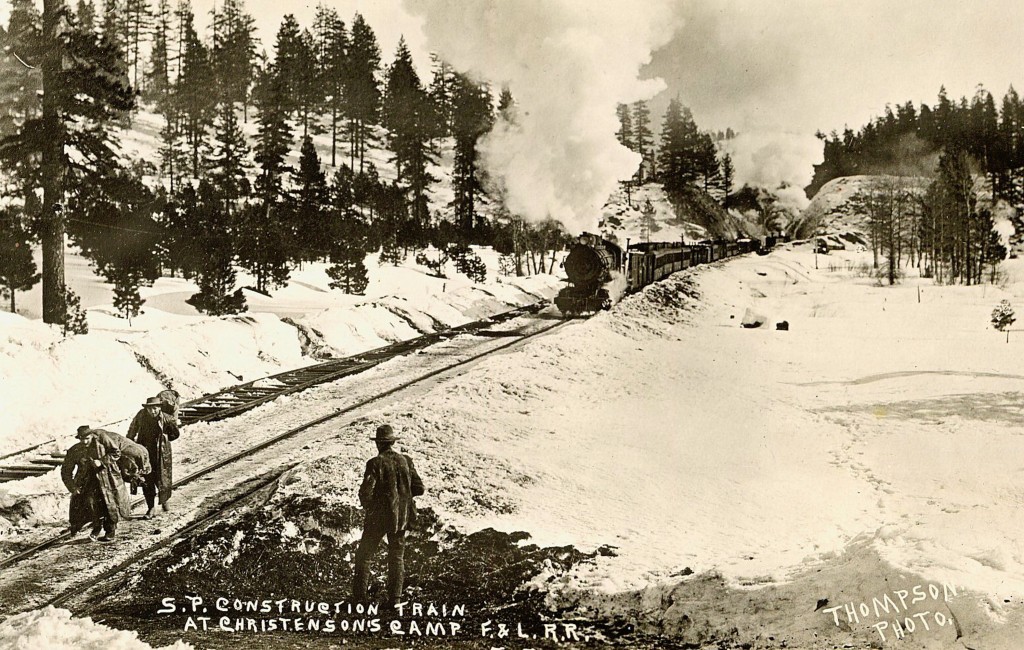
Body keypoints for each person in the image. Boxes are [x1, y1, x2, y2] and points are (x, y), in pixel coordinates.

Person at [353, 424, 425, 607]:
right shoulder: (406, 461)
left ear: (378, 444)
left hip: (379, 518)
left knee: (365, 555)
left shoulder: (375, 463)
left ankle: (360, 598)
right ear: (392, 442)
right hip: (401, 518)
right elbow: (419, 488)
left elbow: (366, 493)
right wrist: (402, 498)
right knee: (396, 556)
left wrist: (372, 506)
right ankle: (395, 599)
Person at [127, 396, 180, 518]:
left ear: (159, 408)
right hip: (144, 453)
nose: (153, 411)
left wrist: (165, 438)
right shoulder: (140, 416)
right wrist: (130, 445)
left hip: (161, 453)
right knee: (147, 480)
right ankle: (151, 508)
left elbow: (175, 434)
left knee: (162, 479)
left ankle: (164, 500)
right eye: (150, 409)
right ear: (146, 409)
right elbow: (132, 431)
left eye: (155, 408)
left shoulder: (166, 418)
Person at [60, 426, 102, 539]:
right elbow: (65, 470)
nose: (85, 442)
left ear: (92, 436)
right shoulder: (75, 450)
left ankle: (98, 526)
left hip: (101, 480)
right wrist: (72, 487)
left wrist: (101, 463)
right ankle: (75, 526)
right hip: (83, 480)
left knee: (93, 502)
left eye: (87, 438)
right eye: (82, 439)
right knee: (76, 503)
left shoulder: (100, 447)